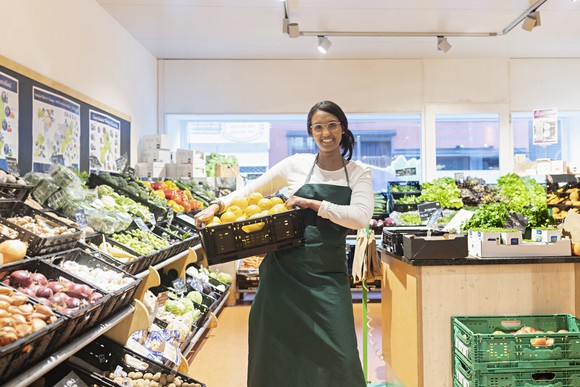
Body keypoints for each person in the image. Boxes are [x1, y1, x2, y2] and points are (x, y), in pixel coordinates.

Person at [194, 100, 374, 387]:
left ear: (343, 128)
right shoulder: (296, 164)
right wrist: (216, 206)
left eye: (331, 125)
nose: (325, 133)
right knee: (277, 352)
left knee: (339, 354)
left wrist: (314, 204)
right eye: (318, 127)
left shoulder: (358, 173)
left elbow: (361, 217)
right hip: (283, 273)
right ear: (310, 132)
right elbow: (250, 190)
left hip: (327, 276)